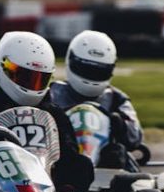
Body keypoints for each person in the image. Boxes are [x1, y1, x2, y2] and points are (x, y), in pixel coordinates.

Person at [0, 31, 92, 192]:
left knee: (83, 165)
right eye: (24, 77)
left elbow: (70, 157)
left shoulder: (55, 115)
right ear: (3, 67)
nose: (32, 86)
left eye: (39, 79)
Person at [48, 30, 143, 169]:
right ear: (71, 61)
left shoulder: (116, 98)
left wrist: (119, 124)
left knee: (118, 153)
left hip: (107, 166)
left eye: (98, 71)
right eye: (86, 69)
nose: (91, 76)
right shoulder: (52, 94)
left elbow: (135, 138)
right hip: (61, 164)